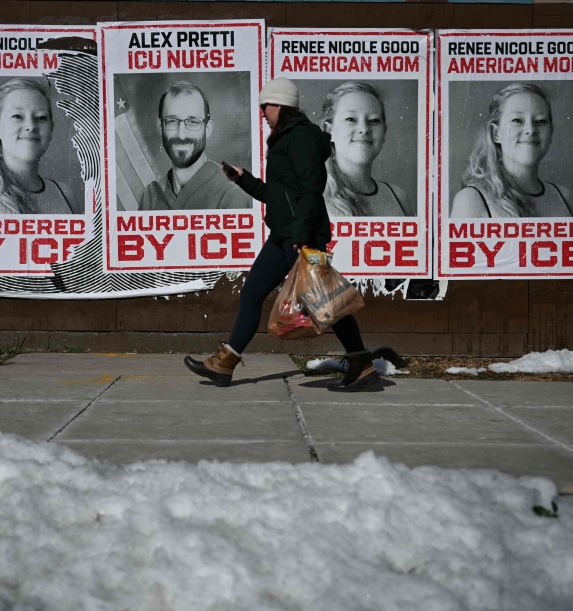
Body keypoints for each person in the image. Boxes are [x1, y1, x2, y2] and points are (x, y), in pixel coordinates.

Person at [184, 78, 379, 392]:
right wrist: (243, 180)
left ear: (282, 106)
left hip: (298, 234)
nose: (263, 112)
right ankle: (224, 364)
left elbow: (310, 188)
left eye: (266, 106)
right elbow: (278, 195)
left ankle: (361, 365)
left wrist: (301, 234)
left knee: (323, 301)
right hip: (288, 233)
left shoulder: (299, 136)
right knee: (292, 298)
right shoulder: (286, 137)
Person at [451, 82, 573, 218]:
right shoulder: (472, 199)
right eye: (517, 120)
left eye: (540, 121)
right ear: (496, 133)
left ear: (550, 133)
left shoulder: (564, 197)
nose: (530, 130)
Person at [0, 78, 76, 216]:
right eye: (17, 116)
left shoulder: (65, 194)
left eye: (41, 117)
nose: (31, 126)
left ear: (51, 129)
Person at [138, 81, 251, 211]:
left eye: (193, 122)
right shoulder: (151, 195)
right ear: (160, 127)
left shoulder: (233, 194)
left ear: (207, 129)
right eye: (172, 121)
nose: (181, 135)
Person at [320, 81, 413, 217]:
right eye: (350, 119)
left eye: (374, 120)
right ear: (328, 131)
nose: (364, 129)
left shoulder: (398, 197)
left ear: (384, 132)